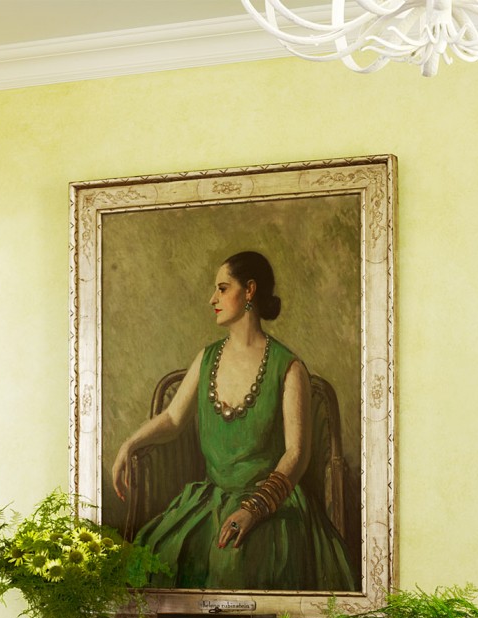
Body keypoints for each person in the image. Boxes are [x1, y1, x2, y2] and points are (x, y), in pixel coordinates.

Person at [112, 250, 356, 591]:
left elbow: (296, 454)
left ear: (250, 291)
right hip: (208, 502)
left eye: (222, 288)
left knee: (233, 563)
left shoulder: (289, 367)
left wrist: (254, 509)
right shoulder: (207, 358)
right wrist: (130, 443)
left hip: (270, 507)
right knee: (151, 557)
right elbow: (171, 418)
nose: (212, 298)